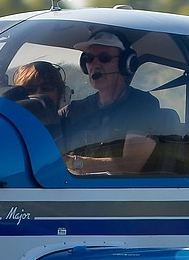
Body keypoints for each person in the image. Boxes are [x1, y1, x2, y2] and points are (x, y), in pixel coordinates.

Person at [60, 31, 161, 174]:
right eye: (89, 58)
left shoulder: (143, 105)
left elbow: (130, 165)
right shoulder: (73, 110)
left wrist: (73, 162)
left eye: (104, 58)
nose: (95, 65)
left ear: (125, 64)